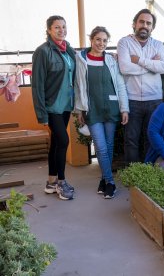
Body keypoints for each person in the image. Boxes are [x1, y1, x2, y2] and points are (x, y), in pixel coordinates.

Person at [74, 26, 129, 199]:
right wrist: (79, 109)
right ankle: (110, 181)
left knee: (109, 145)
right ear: (92, 39)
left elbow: (120, 84)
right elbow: (78, 86)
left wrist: (124, 108)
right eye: (98, 39)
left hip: (111, 107)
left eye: (105, 40)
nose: (101, 43)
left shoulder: (112, 60)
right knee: (101, 147)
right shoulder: (81, 59)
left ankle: (104, 180)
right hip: (93, 109)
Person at [32, 16, 75, 200]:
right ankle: (61, 182)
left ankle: (50, 182)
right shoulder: (43, 51)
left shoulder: (68, 50)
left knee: (57, 143)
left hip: (65, 105)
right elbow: (37, 85)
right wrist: (42, 114)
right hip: (51, 107)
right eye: (57, 27)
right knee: (64, 141)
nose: (61, 30)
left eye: (64, 27)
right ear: (49, 30)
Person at [117, 9, 164, 164]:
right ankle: (133, 175)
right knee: (131, 140)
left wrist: (138, 60)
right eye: (141, 22)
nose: (144, 25)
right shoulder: (124, 42)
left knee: (150, 139)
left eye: (148, 23)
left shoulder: (158, 45)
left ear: (152, 27)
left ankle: (148, 174)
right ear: (134, 24)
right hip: (132, 99)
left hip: (154, 100)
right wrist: (152, 64)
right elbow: (125, 67)